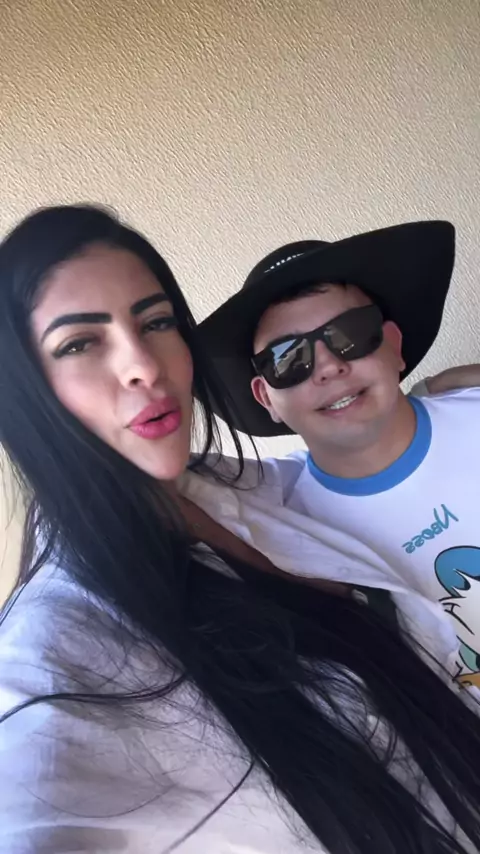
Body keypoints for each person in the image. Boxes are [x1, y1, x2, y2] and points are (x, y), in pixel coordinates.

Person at [1, 205, 480, 854]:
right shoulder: (51, 648)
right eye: (79, 343)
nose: (143, 365)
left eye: (157, 322)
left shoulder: (237, 488)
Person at [198, 222, 480, 689]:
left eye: (350, 333)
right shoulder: (288, 532)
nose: (329, 366)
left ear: (394, 345)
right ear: (266, 398)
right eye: (288, 359)